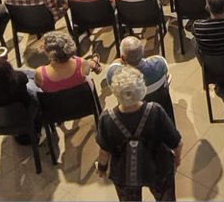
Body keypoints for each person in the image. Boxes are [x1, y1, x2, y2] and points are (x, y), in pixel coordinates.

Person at [95, 67, 182, 202]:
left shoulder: (107, 119)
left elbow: (104, 151)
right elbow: (176, 142)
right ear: (142, 89)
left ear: (116, 93)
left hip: (124, 173)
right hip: (159, 168)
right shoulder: (155, 111)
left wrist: (102, 168)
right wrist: (176, 159)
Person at [34, 31, 101, 93]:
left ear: (49, 53)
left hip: (56, 104)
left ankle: (93, 63)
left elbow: (38, 85)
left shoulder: (40, 73)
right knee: (85, 71)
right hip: (81, 98)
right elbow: (86, 71)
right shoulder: (81, 63)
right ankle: (93, 64)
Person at [105, 36, 170, 94]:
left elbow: (115, 63)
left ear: (122, 58)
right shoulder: (160, 64)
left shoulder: (112, 75)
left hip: (130, 106)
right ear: (142, 53)